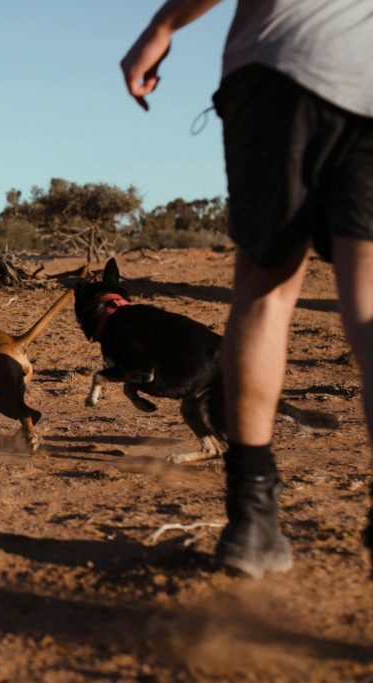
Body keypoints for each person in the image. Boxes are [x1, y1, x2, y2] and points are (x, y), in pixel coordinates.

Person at [120, 0, 373, 578]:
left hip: (278, 69)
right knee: (369, 306)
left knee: (265, 295)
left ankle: (252, 518)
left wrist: (163, 25)